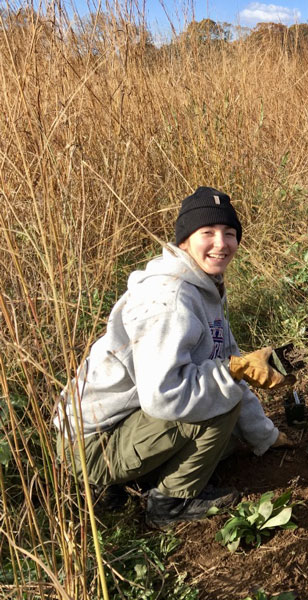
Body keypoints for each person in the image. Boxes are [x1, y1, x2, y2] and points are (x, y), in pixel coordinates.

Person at [55, 186, 289, 526]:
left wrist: (266, 437)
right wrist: (231, 373)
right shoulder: (168, 300)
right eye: (207, 233)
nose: (221, 243)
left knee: (226, 438)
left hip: (124, 425)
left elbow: (230, 356)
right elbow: (164, 397)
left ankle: (133, 480)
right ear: (184, 241)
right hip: (91, 448)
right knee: (220, 401)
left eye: (230, 233)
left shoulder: (205, 287)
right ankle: (168, 504)